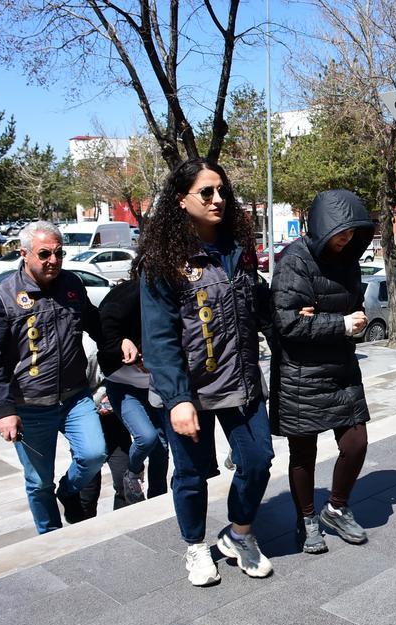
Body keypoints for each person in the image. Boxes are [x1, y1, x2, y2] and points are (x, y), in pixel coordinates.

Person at [138, 157, 275, 587]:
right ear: (181, 200)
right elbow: (159, 338)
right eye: (207, 192)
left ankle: (239, 533)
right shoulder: (163, 260)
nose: (218, 200)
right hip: (190, 391)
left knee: (258, 461)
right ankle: (196, 546)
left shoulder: (238, 248)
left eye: (222, 191)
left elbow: (258, 305)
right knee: (193, 475)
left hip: (241, 380)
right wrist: (177, 399)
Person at [0, 221, 106, 534]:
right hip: (30, 406)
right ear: (24, 254)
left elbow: (95, 324)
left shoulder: (72, 285)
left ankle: (69, 490)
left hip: (75, 398)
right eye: (44, 253)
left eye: (59, 253)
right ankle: (50, 538)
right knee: (38, 483)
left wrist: (122, 344)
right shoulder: (3, 297)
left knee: (94, 454)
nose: (53, 260)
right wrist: (3, 411)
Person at [270, 189, 375, 554]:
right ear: (322, 227)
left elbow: (353, 306)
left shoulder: (348, 260)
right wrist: (341, 324)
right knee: (304, 453)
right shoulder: (294, 262)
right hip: (300, 373)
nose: (345, 241)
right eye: (339, 234)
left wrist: (349, 322)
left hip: (341, 369)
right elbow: (286, 322)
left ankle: (337, 506)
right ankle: (308, 517)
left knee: (356, 443)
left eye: (351, 234)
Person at [97, 276, 169, 504]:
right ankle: (132, 472)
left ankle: (158, 498)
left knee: (161, 446)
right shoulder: (129, 295)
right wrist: (123, 345)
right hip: (123, 384)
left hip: (154, 385)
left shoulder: (174, 296)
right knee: (146, 438)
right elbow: (103, 328)